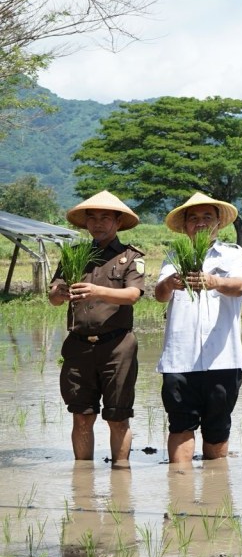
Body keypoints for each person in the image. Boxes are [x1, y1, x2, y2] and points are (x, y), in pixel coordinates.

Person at [48, 191, 144, 465]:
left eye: (105, 218)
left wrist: (96, 291)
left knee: (117, 416)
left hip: (117, 347)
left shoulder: (130, 257)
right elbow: (53, 297)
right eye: (93, 218)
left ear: (117, 222)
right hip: (78, 346)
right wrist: (60, 293)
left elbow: (133, 295)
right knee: (81, 416)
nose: (98, 223)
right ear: (86, 223)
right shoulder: (73, 255)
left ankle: (122, 476)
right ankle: (83, 482)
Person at [154, 192, 242, 463]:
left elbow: (241, 286)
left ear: (219, 223)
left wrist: (214, 282)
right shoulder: (174, 256)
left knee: (217, 428)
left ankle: (215, 491)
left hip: (223, 358)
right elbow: (160, 295)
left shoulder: (232, 254)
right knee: (180, 425)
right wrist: (170, 283)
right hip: (179, 359)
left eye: (207, 216)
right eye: (193, 218)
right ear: (185, 226)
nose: (200, 223)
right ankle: (181, 494)